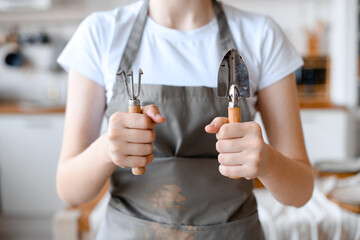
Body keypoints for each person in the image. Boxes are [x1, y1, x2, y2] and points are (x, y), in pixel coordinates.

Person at [56, 0, 314, 239]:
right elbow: (69, 190)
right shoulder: (101, 33)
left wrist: (267, 162)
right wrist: (106, 150)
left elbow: (301, 192)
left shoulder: (262, 36)